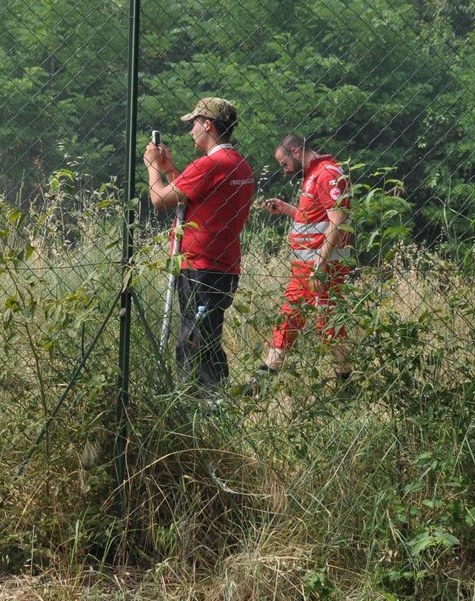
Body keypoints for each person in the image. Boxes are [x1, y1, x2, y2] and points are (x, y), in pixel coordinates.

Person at [142, 96, 255, 392]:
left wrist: (153, 166)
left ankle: (204, 402)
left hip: (199, 265)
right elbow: (194, 195)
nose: (191, 131)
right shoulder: (240, 165)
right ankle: (209, 399)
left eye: (193, 124)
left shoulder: (209, 164)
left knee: (195, 341)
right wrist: (170, 170)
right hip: (225, 264)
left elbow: (159, 200)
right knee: (206, 333)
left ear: (207, 125)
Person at [254, 133, 354, 381]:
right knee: (294, 316)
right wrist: (288, 209)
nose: (285, 170)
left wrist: (320, 265)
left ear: (296, 151)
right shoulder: (313, 175)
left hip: (322, 267)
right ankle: (267, 374)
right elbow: (316, 218)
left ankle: (344, 379)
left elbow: (338, 221)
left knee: (326, 320)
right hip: (306, 267)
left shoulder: (327, 174)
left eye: (284, 163)